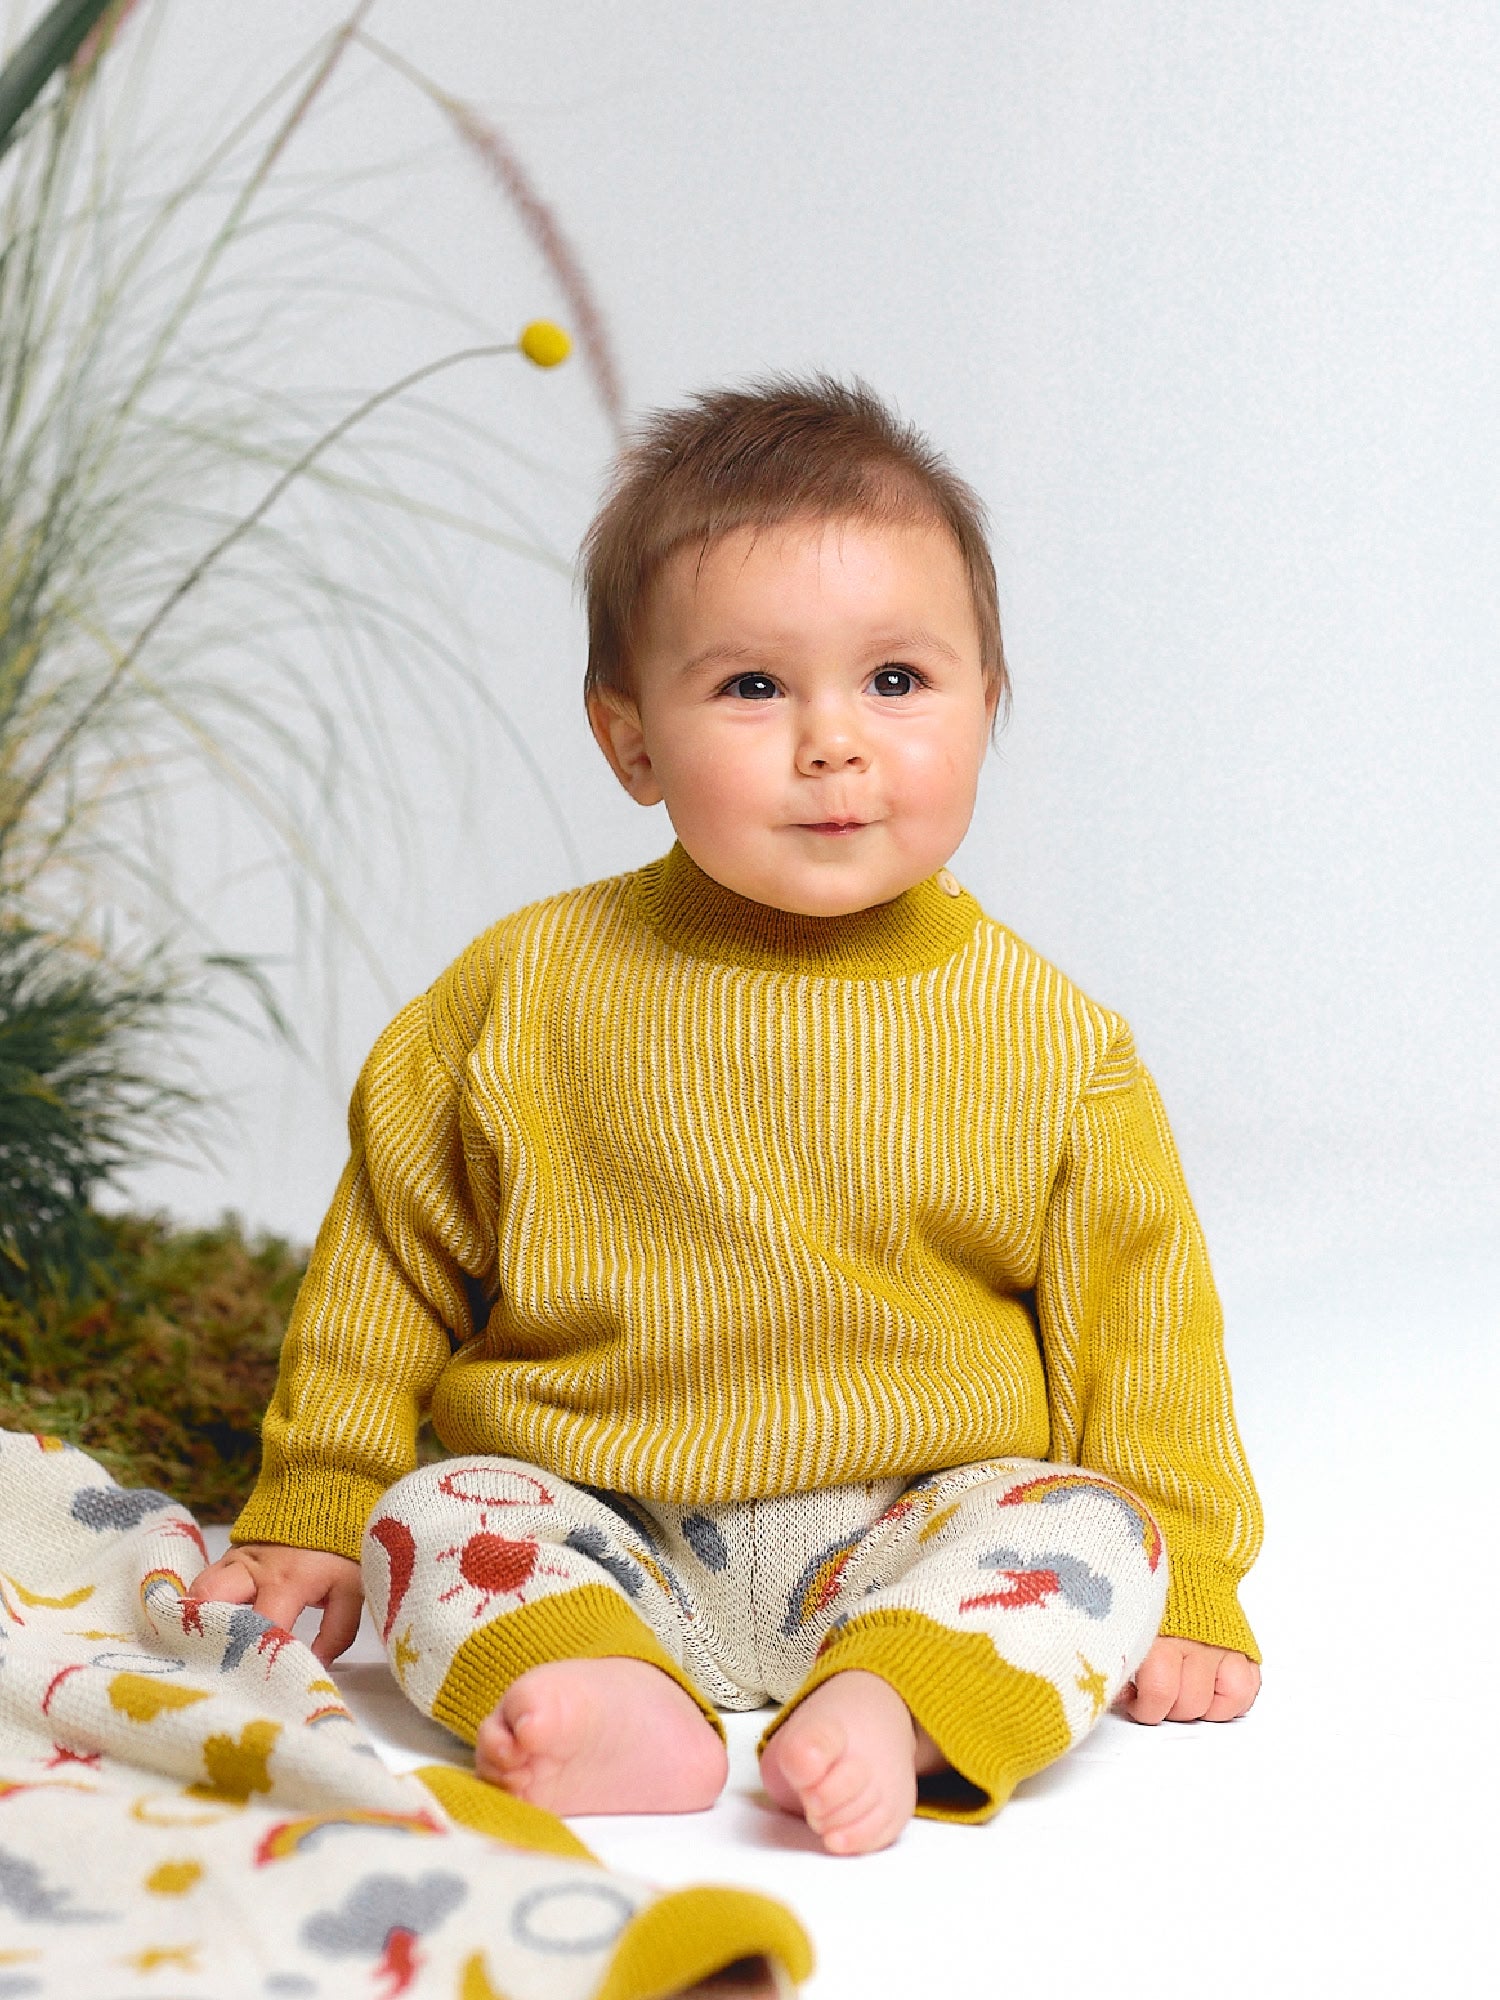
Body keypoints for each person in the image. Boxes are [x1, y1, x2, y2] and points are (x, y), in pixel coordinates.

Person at [191, 377, 1263, 1859]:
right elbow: (391, 1264)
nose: (833, 742)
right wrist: (315, 1499)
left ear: (988, 702)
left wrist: (1187, 1575)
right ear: (631, 740)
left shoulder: (1050, 1038)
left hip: (914, 1523)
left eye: (897, 680)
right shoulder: (518, 994)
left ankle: (892, 1696)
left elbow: (1142, 1330)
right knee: (436, 1514)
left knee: (1092, 1528)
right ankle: (607, 1689)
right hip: (601, 1514)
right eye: (754, 688)